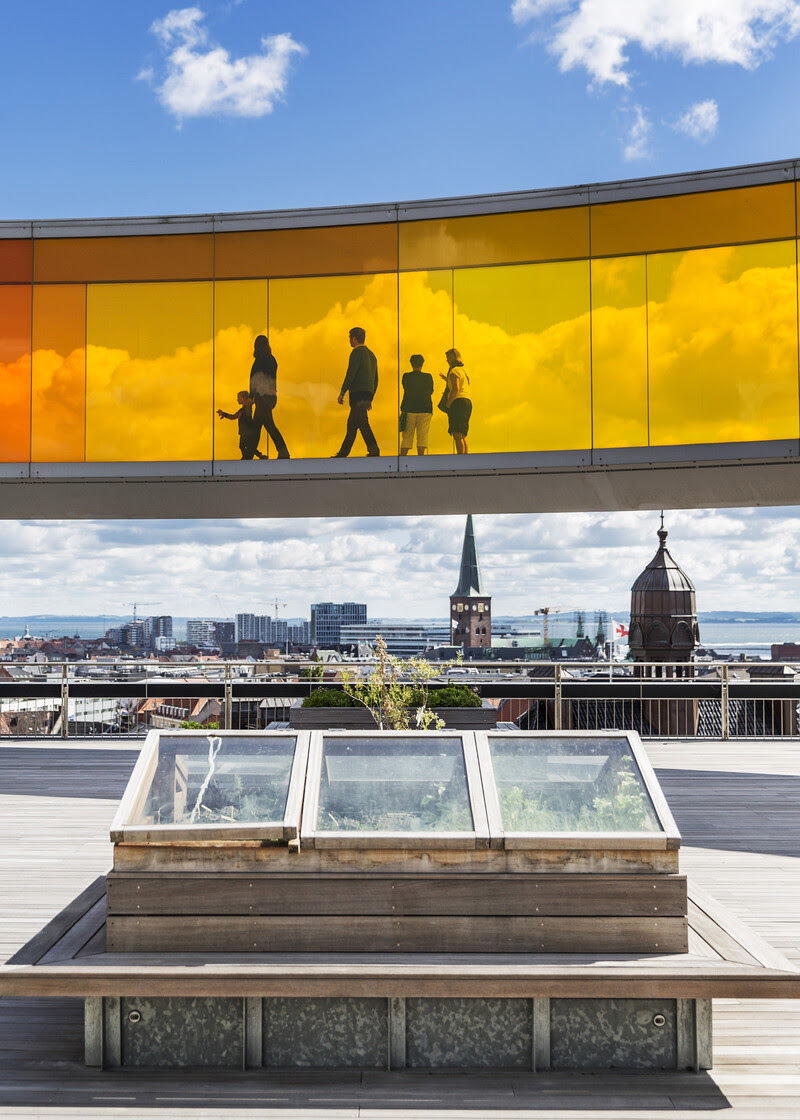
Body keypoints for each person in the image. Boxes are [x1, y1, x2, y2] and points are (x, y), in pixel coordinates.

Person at [334, 326, 380, 457]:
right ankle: (343, 452)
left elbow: (351, 373)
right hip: (367, 393)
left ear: (354, 338)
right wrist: (371, 397)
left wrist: (342, 392)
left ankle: (374, 450)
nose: (349, 341)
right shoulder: (372, 355)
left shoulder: (356, 353)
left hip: (357, 392)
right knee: (352, 423)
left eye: (350, 338)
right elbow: (376, 379)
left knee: (362, 422)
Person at [250, 335, 290, 459]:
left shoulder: (260, 361)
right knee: (256, 427)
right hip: (269, 396)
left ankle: (283, 452)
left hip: (262, 397)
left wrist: (251, 396)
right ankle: (249, 454)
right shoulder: (271, 359)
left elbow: (254, 380)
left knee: (267, 426)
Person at [399, 354, 433, 456]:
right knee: (422, 436)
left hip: (409, 409)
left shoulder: (406, 376)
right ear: (422, 364)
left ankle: (403, 459)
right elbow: (431, 391)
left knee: (407, 437)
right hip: (425, 409)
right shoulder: (428, 377)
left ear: (411, 363)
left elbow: (406, 387)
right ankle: (421, 460)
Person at [217, 391, 265, 461]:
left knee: (243, 446)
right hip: (244, 431)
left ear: (244, 398)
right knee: (247, 445)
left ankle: (247, 457)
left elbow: (233, 416)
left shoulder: (247, 408)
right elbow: (233, 416)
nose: (237, 399)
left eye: (238, 397)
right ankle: (258, 455)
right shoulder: (242, 410)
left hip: (246, 432)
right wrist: (223, 414)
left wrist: (223, 414)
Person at [441, 347, 471, 454]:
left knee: (457, 435)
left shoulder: (454, 371)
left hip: (458, 403)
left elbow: (456, 388)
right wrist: (447, 379)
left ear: (452, 358)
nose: (447, 360)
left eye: (448, 357)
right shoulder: (464, 371)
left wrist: (448, 403)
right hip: (467, 402)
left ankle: (460, 458)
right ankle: (465, 457)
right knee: (462, 434)